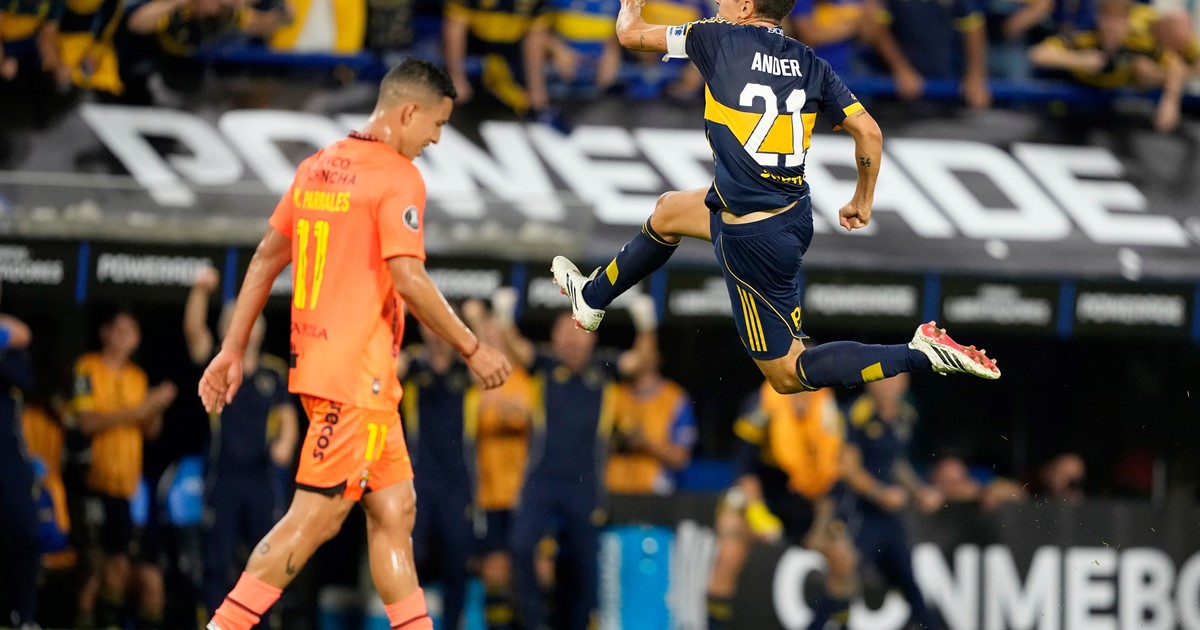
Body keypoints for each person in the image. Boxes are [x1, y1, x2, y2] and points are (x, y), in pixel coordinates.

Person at [196, 58, 511, 630]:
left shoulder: (318, 165)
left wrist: (231, 349)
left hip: (341, 377)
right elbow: (408, 277)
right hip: (355, 383)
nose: (437, 139)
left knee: (395, 509)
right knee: (312, 521)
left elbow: (266, 257)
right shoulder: (398, 176)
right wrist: (473, 348)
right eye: (437, 124)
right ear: (409, 112)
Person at [550, 0, 1001, 398]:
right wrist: (862, 201)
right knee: (669, 211)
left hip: (750, 235)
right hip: (790, 214)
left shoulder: (714, 36)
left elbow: (630, 34)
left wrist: (630, 5)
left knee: (788, 373)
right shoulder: (811, 63)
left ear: (747, 7)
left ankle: (917, 353)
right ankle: (593, 297)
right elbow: (869, 133)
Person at [493, 291, 657, 630]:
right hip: (541, 478)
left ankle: (580, 623)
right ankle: (533, 623)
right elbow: (518, 350)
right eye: (563, 332)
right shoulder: (545, 366)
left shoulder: (605, 369)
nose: (570, 339)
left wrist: (646, 325)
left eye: (577, 331)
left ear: (592, 336)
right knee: (520, 547)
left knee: (584, 564)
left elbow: (640, 361)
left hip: (585, 483)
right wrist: (506, 318)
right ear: (554, 338)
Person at [184, 267, 300, 621]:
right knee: (216, 561)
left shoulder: (273, 373)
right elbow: (194, 332)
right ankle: (216, 623)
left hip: (262, 477)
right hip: (222, 475)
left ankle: (261, 623)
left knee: (264, 558)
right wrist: (200, 290)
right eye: (233, 321)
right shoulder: (217, 364)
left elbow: (289, 420)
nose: (242, 327)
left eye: (247, 320)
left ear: (259, 330)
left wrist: (285, 444)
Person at [706, 383, 854, 630]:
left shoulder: (829, 411)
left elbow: (833, 478)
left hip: (804, 501)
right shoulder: (761, 404)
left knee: (845, 561)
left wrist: (821, 525)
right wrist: (758, 514)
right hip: (760, 495)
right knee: (729, 551)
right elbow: (744, 468)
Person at [71, 308, 177, 629]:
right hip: (93, 480)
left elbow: (151, 430)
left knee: (124, 568)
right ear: (104, 332)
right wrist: (139, 409)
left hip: (126, 486)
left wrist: (155, 407)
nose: (125, 337)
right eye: (119, 329)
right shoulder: (87, 367)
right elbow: (87, 423)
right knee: (97, 567)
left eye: (131, 331)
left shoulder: (137, 377)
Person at [836, 374, 940, 629]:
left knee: (908, 581)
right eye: (882, 380)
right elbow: (847, 468)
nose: (888, 386)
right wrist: (880, 493)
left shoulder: (906, 415)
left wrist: (919, 491)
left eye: (894, 380)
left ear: (905, 383)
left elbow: (896, 462)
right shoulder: (855, 414)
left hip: (889, 518)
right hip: (857, 512)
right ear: (869, 381)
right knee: (843, 580)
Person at [400, 321, 478, 630]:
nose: (437, 333)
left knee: (456, 563)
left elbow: (489, 373)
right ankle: (409, 623)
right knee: (411, 557)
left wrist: (467, 336)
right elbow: (389, 368)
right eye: (431, 325)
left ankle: (451, 624)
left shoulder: (466, 369)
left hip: (458, 483)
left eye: (442, 324)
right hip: (419, 479)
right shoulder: (413, 365)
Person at [462, 296, 533, 630]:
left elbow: (525, 416)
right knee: (494, 570)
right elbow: (483, 404)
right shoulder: (474, 386)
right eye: (485, 337)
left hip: (523, 492)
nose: (492, 342)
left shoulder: (526, 380)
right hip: (488, 493)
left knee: (536, 567)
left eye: (497, 335)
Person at [1029, 0, 1187, 132]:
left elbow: (1176, 66)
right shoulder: (1085, 39)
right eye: (1108, 19)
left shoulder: (1138, 43)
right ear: (1099, 19)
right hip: (1073, 107)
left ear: (1128, 21)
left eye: (1119, 20)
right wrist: (1079, 60)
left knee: (1143, 68)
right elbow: (1038, 54)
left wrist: (1170, 102)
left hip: (1118, 107)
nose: (1113, 27)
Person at [605, 296, 696, 496]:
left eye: (647, 350)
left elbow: (681, 458)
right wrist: (619, 440)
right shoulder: (614, 394)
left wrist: (645, 443)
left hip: (654, 491)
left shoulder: (675, 398)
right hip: (612, 487)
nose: (642, 356)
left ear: (658, 357)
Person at [0, 312, 38, 628]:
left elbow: (23, 378)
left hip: (7, 452)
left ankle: (22, 617)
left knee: (27, 532)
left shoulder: (11, 345)